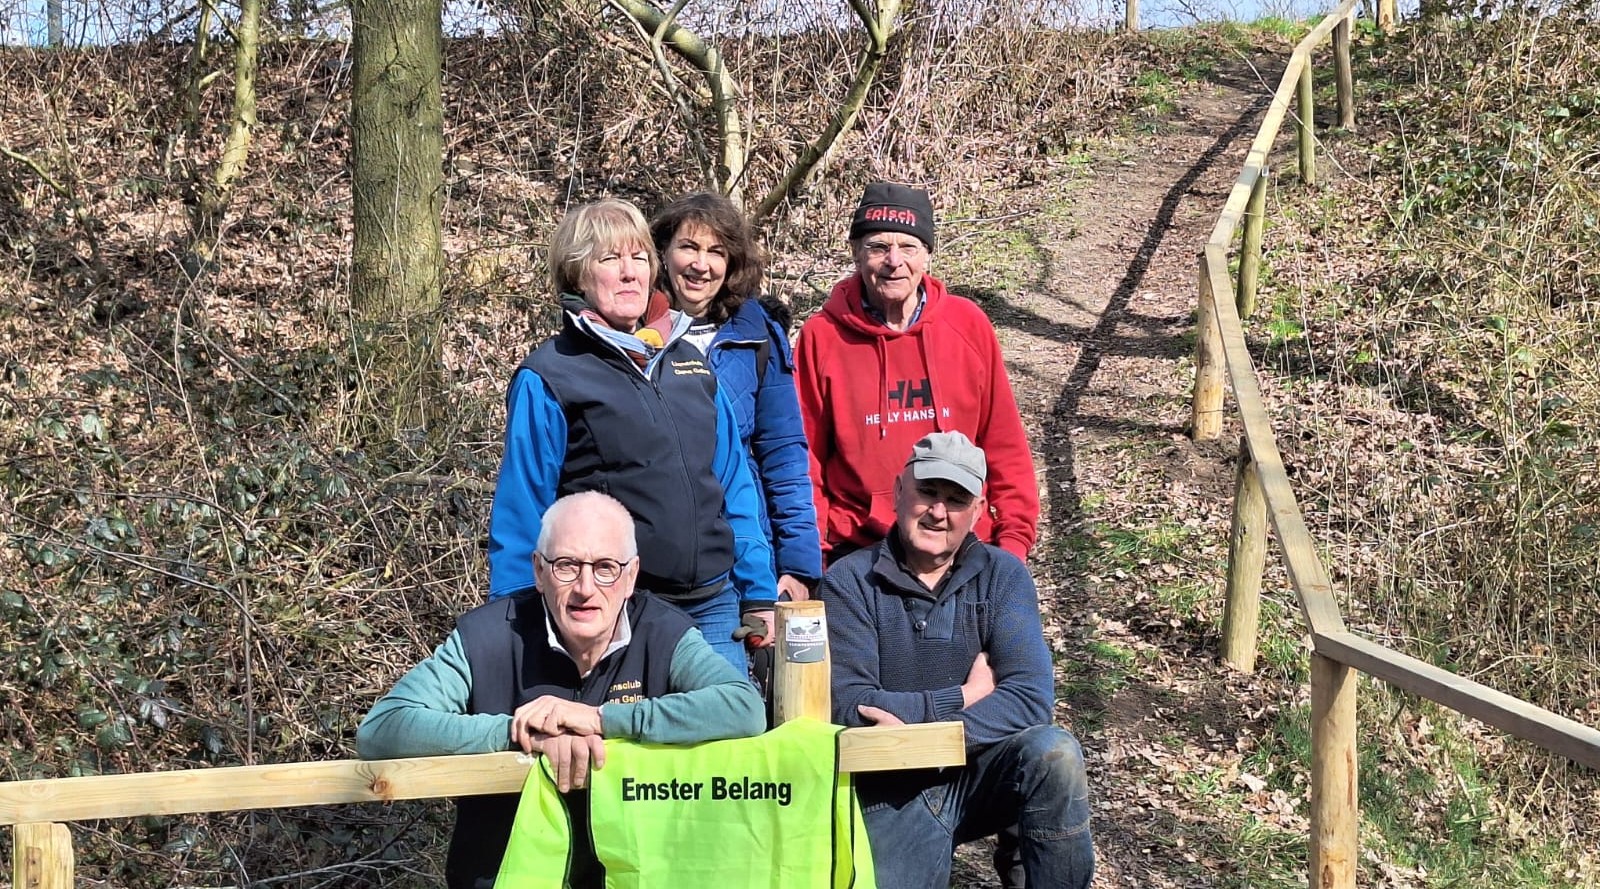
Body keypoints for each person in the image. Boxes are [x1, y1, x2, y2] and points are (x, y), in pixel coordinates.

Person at [359, 491, 765, 889]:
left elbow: (742, 707)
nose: (586, 587)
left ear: (631, 575)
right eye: (567, 566)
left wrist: (602, 720)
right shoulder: (486, 638)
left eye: (605, 567)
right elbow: (383, 729)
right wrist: (520, 735)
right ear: (538, 570)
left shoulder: (664, 633)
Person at [486, 198, 778, 672]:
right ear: (578, 274)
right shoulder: (551, 376)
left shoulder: (689, 363)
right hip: (619, 613)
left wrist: (757, 590)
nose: (629, 273)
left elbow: (734, 488)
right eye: (610, 259)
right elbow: (522, 511)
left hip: (715, 605)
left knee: (730, 735)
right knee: (629, 742)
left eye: (638, 258)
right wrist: (517, 626)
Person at [818, 432, 1094, 888]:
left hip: (981, 772)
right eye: (927, 492)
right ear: (900, 489)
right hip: (889, 788)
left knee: (1054, 753)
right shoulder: (849, 581)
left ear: (979, 511)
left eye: (956, 499)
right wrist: (966, 695)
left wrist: (924, 730)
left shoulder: (1004, 576)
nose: (938, 512)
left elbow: (1030, 699)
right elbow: (849, 705)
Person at [793, 182, 1040, 566]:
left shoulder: (967, 325)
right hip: (862, 548)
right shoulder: (821, 337)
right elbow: (806, 459)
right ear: (856, 254)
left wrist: (1013, 545)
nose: (894, 261)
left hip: (963, 543)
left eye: (908, 247)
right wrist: (811, 559)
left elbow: (1004, 443)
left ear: (926, 255)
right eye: (878, 247)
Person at [650, 192, 822, 603]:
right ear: (663, 253)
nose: (700, 264)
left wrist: (797, 565)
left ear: (731, 265)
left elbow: (783, 455)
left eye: (716, 252)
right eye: (688, 247)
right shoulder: (634, 334)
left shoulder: (757, 336)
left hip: (744, 557)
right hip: (654, 562)